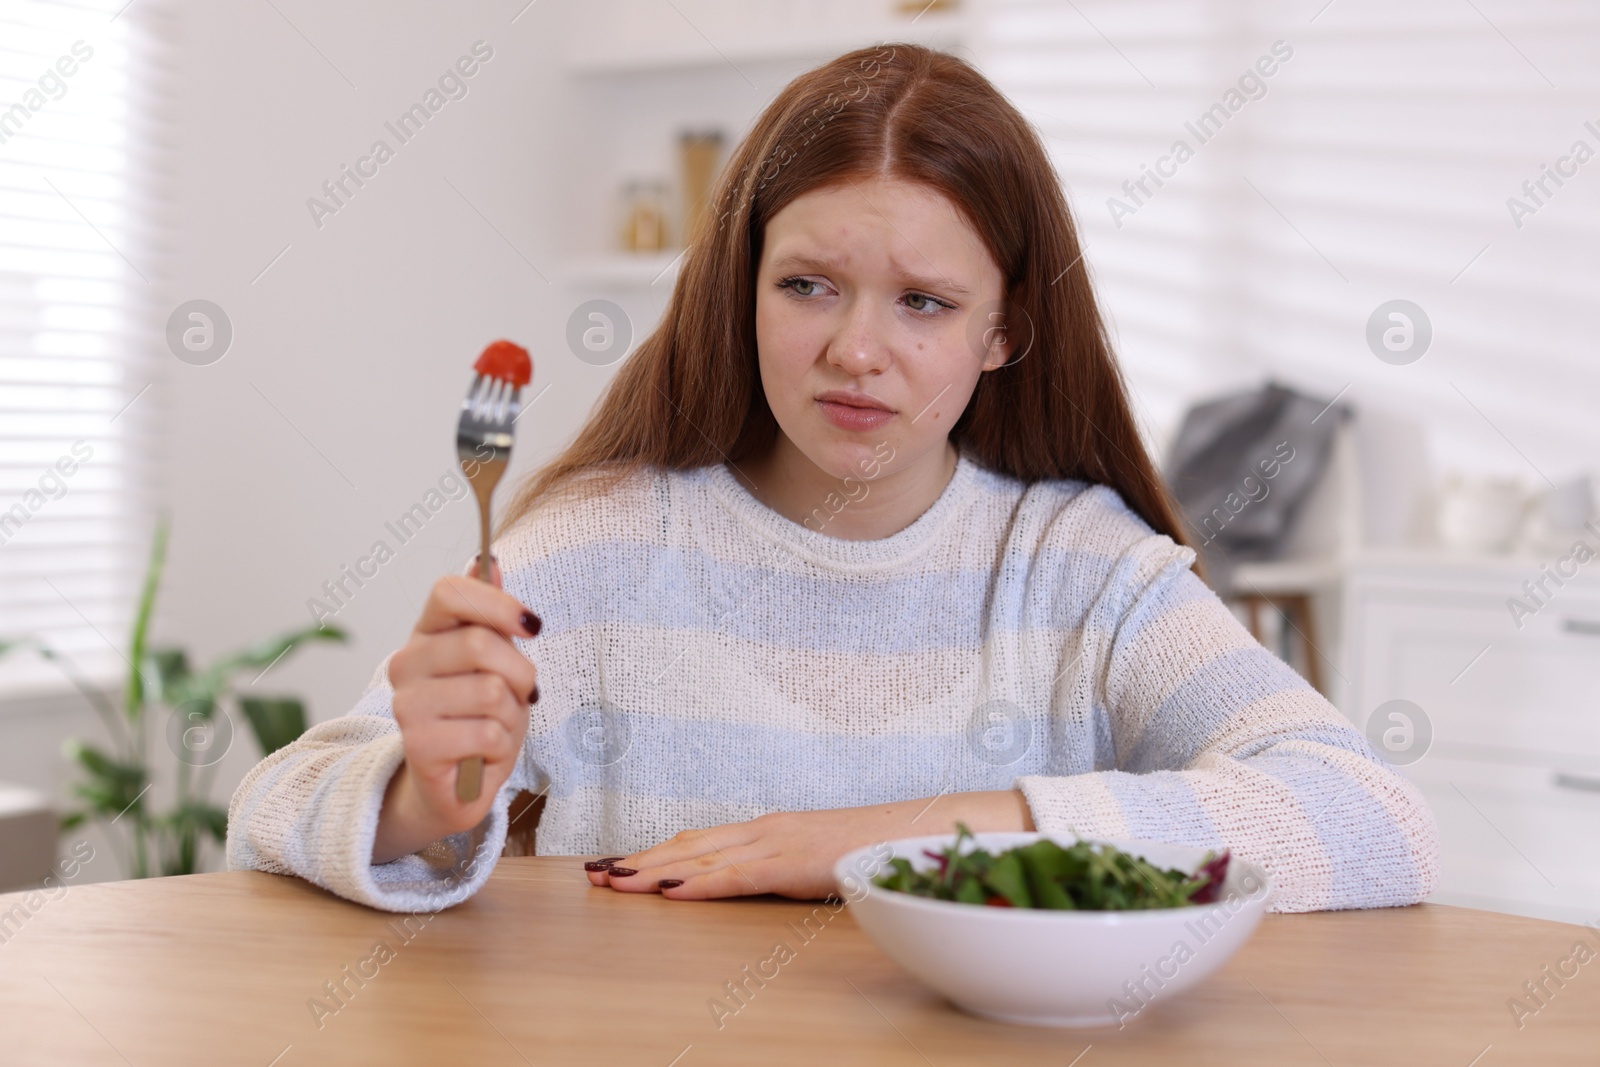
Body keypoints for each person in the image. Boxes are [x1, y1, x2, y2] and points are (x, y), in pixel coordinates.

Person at [226, 43, 1438, 915]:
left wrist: (899, 839)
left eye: (924, 302)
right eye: (807, 284)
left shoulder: (1078, 570)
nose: (857, 348)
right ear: (740, 286)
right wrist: (419, 801)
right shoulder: (593, 551)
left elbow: (1369, 817)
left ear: (1005, 330)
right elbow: (278, 803)